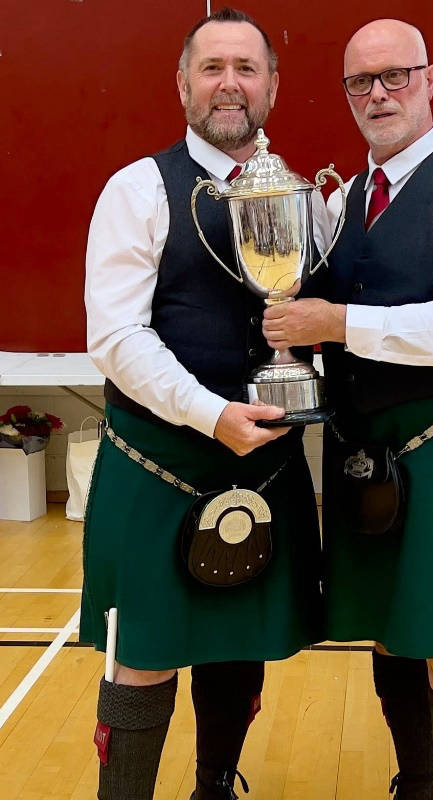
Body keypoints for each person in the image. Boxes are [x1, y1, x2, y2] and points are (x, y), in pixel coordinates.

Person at [263, 18, 433, 800]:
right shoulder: (340, 202)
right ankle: (417, 784)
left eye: (396, 76)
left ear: (432, 79)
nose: (378, 95)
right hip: (361, 449)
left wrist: (334, 323)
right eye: (359, 82)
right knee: (389, 632)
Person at [82, 8, 328, 800]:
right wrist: (207, 411)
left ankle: (214, 786)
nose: (230, 84)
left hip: (265, 465)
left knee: (235, 645)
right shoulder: (137, 189)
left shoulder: (304, 200)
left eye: (247, 68)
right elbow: (116, 336)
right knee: (144, 652)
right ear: (183, 82)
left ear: (273, 87)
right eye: (213, 67)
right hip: (162, 459)